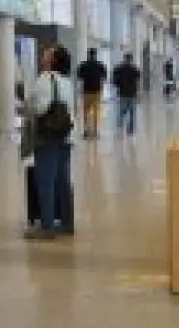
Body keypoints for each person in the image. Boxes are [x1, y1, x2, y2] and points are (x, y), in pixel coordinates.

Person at [24, 44, 75, 239]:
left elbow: (38, 108)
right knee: (63, 181)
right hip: (65, 135)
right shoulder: (67, 81)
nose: (44, 54)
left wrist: (27, 105)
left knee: (45, 181)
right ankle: (67, 223)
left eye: (48, 53)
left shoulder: (44, 79)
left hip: (47, 136)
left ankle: (47, 226)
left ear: (53, 59)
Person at [76, 48, 108, 139]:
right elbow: (104, 77)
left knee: (86, 112)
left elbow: (79, 77)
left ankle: (86, 131)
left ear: (88, 54)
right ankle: (95, 131)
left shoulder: (83, 65)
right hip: (97, 91)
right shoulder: (100, 65)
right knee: (96, 112)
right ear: (95, 54)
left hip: (86, 90)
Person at [112, 53, 140, 137]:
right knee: (132, 112)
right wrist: (138, 92)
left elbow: (114, 81)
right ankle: (130, 130)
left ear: (124, 59)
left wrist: (118, 87)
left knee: (121, 111)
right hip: (132, 93)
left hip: (122, 93)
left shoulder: (119, 69)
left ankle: (120, 129)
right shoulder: (134, 69)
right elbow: (138, 81)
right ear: (131, 59)